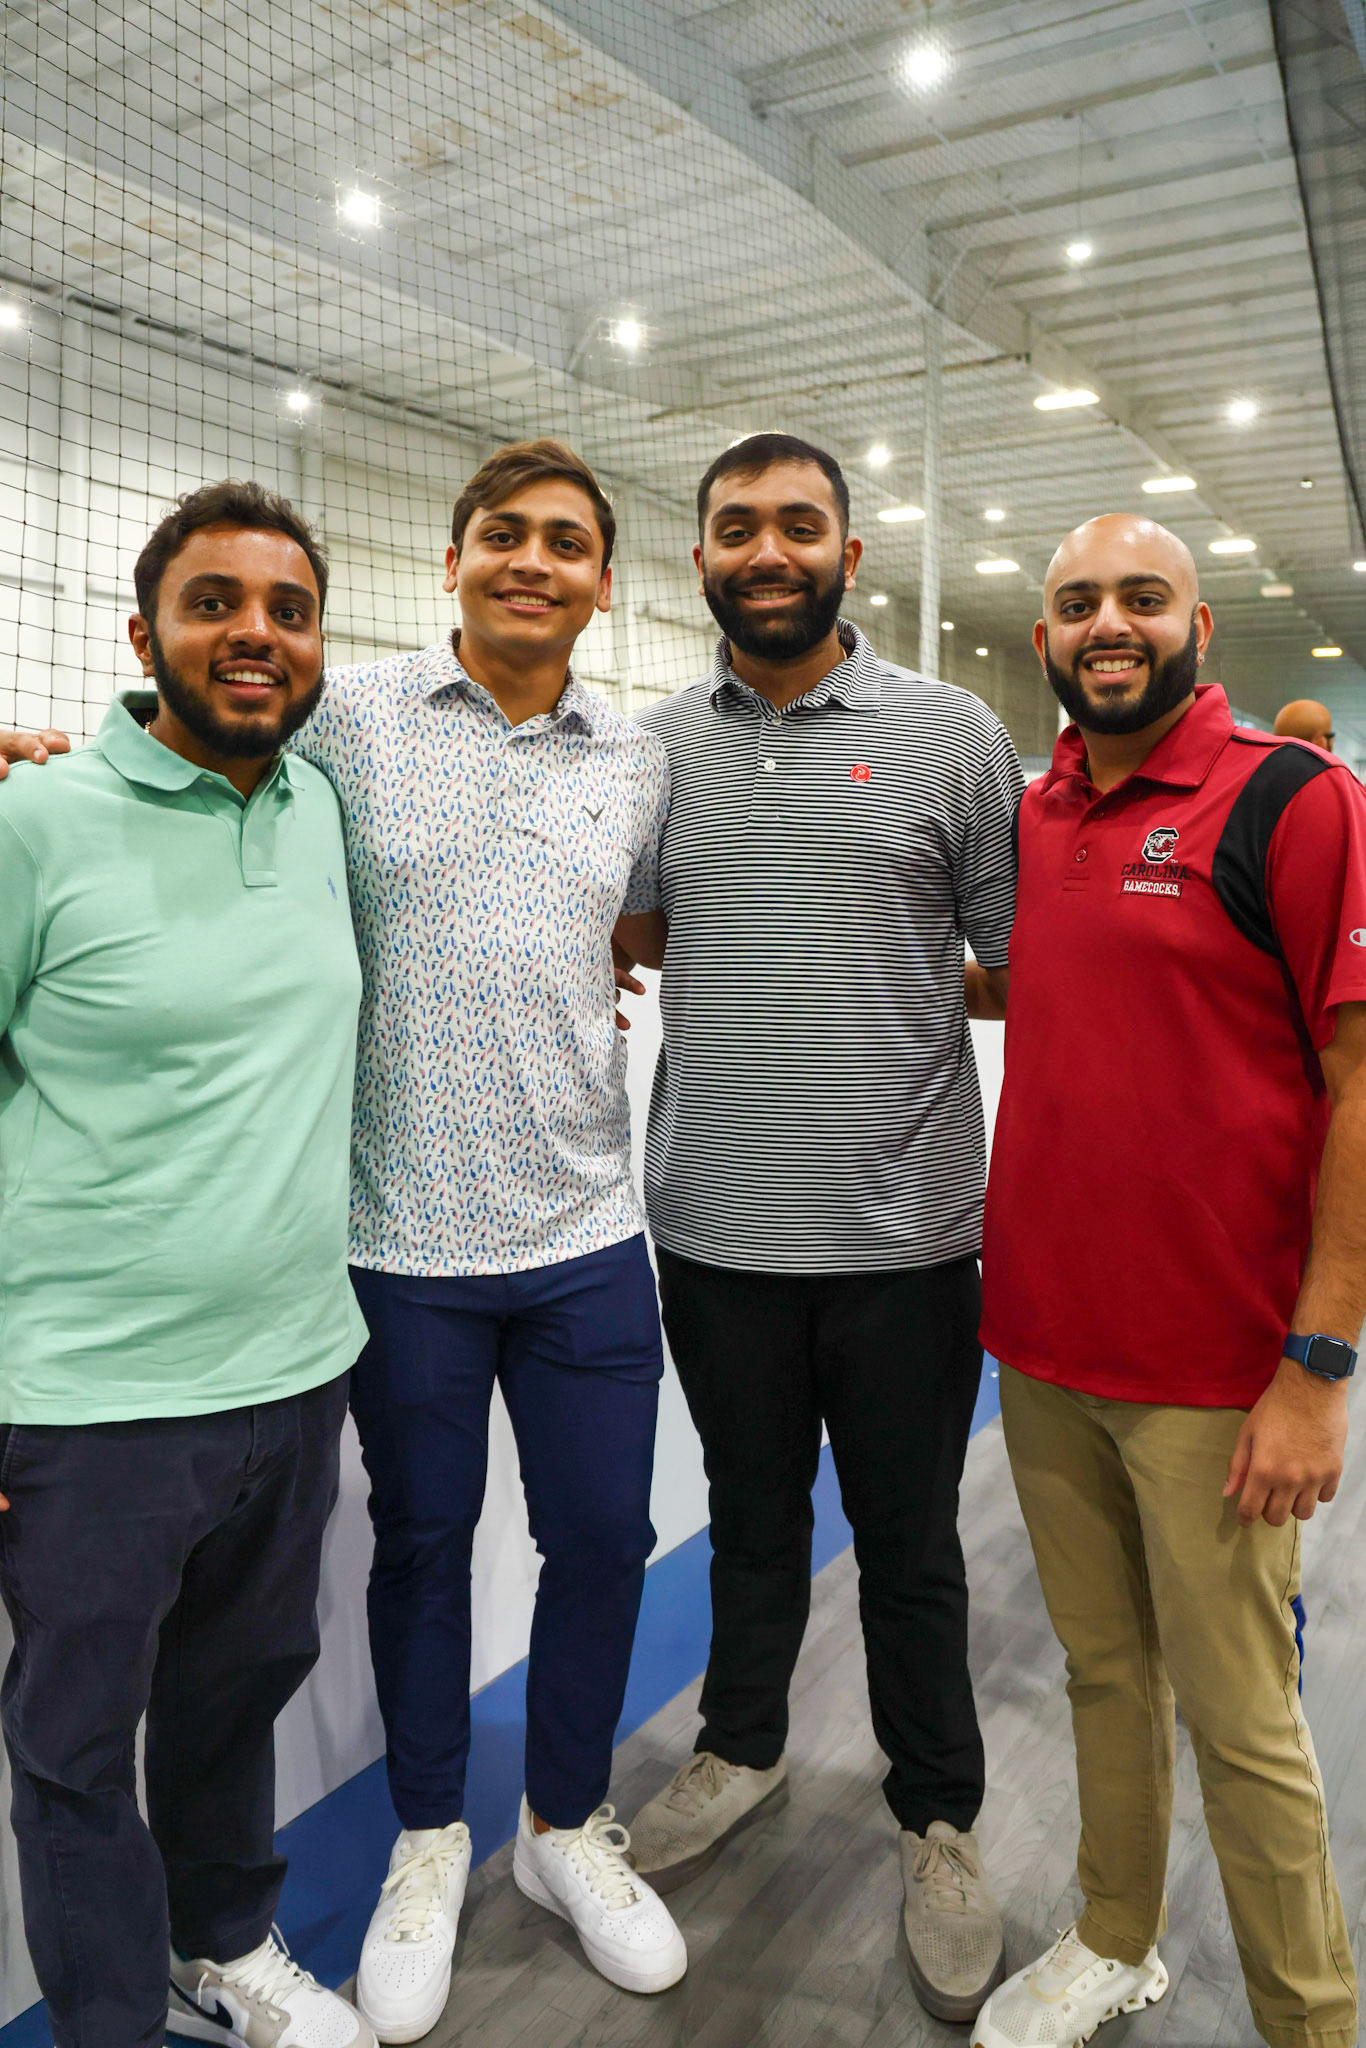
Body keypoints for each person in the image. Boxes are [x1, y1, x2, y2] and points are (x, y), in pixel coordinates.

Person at [0, 441, 687, 2037]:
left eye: (564, 542)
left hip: (561, 1233)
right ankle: (427, 1841)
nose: (531, 560)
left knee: (598, 1543)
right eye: (501, 533)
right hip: (392, 1246)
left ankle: (559, 1830)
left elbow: (626, 924)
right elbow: (166, 764)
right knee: (416, 1556)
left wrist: (573, 974)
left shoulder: (632, 761)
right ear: (450, 561)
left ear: (603, 582)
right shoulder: (340, 730)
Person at [613, 432, 1022, 2024]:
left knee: (910, 1546)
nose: (767, 549)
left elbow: (1012, 958)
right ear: (701, 559)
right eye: (738, 527)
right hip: (716, 1228)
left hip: (906, 1239)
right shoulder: (654, 747)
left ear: (849, 554)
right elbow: (638, 929)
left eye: (798, 524)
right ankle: (742, 1747)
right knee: (749, 1516)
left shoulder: (951, 734)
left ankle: (938, 1820)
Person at [972, 514, 1363, 2048]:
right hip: (1042, 1346)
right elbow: (1049, 990)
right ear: (1044, 642)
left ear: (1196, 625)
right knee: (1100, 1670)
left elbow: (1357, 1085)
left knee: (1240, 1718)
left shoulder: (1292, 798)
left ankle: (1309, 2021)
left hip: (1217, 1373)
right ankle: (1111, 1934)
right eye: (1077, 604)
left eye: (1141, 598)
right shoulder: (1040, 808)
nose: (1107, 625)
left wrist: (1316, 1365)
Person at [0, 483, 373, 2048]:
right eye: (214, 603)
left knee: (235, 1697)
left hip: (293, 1373)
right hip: (91, 1404)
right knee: (78, 1753)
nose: (254, 635)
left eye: (288, 611)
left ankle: (220, 1944)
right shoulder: (36, 821)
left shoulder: (319, 808)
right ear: (142, 633)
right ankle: (107, 2022)